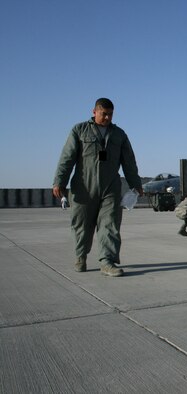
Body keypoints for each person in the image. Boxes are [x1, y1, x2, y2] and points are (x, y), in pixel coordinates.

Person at [52, 98, 143, 277]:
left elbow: (129, 162)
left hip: (111, 187)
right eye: (104, 114)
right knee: (82, 225)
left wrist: (136, 184)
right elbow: (67, 157)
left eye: (110, 114)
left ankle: (107, 262)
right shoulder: (79, 130)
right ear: (94, 112)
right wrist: (59, 181)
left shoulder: (119, 134)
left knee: (110, 225)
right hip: (83, 186)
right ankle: (80, 257)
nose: (107, 117)